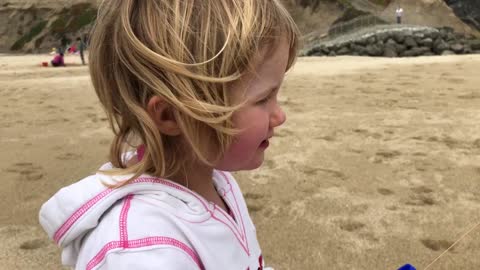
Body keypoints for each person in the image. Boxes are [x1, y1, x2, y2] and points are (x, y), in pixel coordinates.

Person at [39, 1, 300, 269]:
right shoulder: (142, 254)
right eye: (264, 98)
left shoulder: (218, 181)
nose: (280, 116)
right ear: (171, 116)